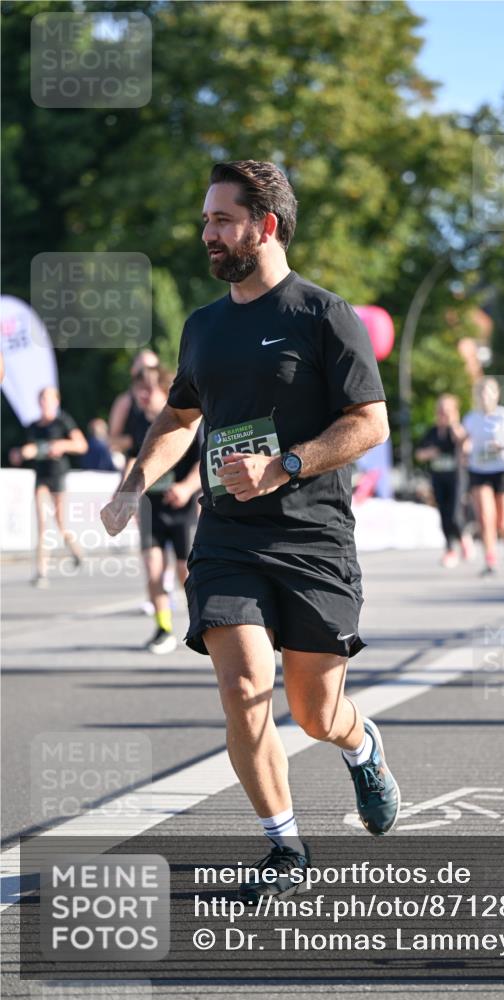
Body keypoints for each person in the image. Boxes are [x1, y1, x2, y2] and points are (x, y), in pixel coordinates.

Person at [101, 159, 400, 898]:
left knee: (314, 710)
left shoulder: (324, 317)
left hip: (313, 539)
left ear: (264, 226)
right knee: (242, 688)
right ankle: (284, 849)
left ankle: (360, 747)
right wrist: (133, 485)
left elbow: (370, 423)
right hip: (228, 537)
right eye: (206, 219)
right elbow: (179, 417)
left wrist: (287, 464)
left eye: (221, 219)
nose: (207, 232)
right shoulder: (203, 326)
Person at [125, 368, 203, 653]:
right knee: (153, 568)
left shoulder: (186, 419)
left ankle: (200, 622)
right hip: (151, 508)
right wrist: (124, 495)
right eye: (139, 391)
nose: (142, 396)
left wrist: (184, 488)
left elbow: (202, 463)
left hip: (181, 507)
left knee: (185, 570)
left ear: (163, 391)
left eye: (148, 390)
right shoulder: (136, 422)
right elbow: (132, 459)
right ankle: (163, 628)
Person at [9, 386, 88, 586]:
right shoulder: (33, 426)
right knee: (43, 525)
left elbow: (81, 445)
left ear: (56, 402)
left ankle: (77, 552)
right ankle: (41, 572)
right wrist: (20, 454)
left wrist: (61, 445)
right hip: (41, 478)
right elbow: (22, 452)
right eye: (42, 399)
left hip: (58, 476)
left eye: (49, 399)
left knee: (61, 524)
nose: (45, 403)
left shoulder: (63, 422)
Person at [462, 377, 504, 576]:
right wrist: (465, 449)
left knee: (503, 520)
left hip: (503, 468)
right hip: (479, 470)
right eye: (481, 392)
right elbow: (464, 443)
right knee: (485, 517)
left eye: (489, 392)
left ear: (496, 394)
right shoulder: (471, 418)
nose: (485, 396)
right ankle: (490, 559)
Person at [415, 394, 473, 567]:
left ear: (454, 411)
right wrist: (430, 453)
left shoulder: (456, 431)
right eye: (440, 410)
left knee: (455, 513)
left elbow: (467, 447)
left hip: (456, 477)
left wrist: (455, 426)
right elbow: (419, 454)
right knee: (443, 514)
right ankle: (450, 549)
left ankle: (463, 537)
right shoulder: (432, 432)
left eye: (447, 410)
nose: (443, 414)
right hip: (438, 477)